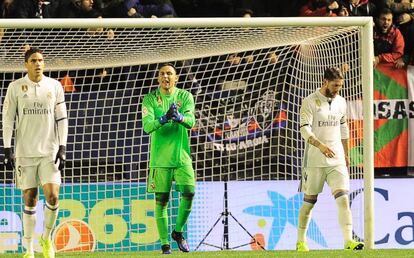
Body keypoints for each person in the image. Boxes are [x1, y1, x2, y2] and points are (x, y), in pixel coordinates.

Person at [2, 47, 68, 258]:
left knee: (53, 196)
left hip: (50, 151)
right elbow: (8, 119)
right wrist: (7, 148)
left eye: (40, 60)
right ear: (26, 64)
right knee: (30, 199)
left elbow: (62, 118)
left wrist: (63, 147)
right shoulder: (15, 87)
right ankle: (29, 248)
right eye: (33, 60)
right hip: (25, 152)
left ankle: (46, 239)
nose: (38, 64)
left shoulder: (55, 86)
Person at [296, 67, 364, 252]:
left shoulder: (341, 102)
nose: (337, 89)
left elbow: (343, 128)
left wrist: (346, 154)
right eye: (335, 85)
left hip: (337, 160)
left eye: (340, 86)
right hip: (315, 160)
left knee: (343, 199)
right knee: (309, 202)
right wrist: (320, 146)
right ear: (325, 81)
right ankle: (301, 241)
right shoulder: (309, 101)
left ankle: (348, 241)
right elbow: (304, 129)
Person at [141, 63, 195, 254]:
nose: (166, 77)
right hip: (160, 159)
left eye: (169, 73)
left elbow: (191, 121)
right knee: (161, 201)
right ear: (158, 78)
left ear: (176, 78)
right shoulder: (149, 99)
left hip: (181, 158)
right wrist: (163, 118)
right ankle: (165, 244)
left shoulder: (185, 96)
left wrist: (179, 117)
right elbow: (147, 127)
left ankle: (178, 232)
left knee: (189, 193)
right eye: (162, 74)